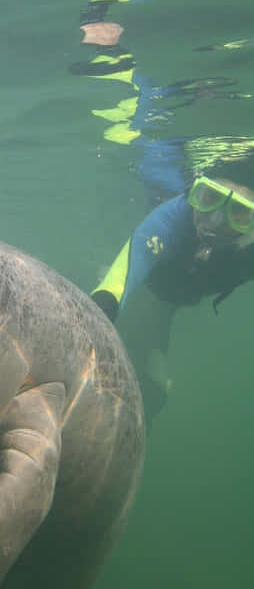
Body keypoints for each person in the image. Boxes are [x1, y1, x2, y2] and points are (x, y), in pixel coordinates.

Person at [90, 155, 254, 421]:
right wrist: (99, 311)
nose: (213, 222)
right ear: (194, 191)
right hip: (154, 286)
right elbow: (120, 279)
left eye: (238, 213)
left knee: (153, 367)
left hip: (176, 298)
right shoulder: (174, 214)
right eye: (209, 198)